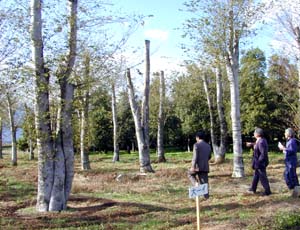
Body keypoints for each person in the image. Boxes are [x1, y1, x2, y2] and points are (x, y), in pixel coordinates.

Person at [246, 128, 271, 196]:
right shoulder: (259, 140)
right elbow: (257, 145)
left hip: (260, 163)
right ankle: (253, 188)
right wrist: (252, 144)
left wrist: (259, 162)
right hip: (258, 162)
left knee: (263, 177)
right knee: (256, 175)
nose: (254, 134)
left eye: (254, 132)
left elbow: (263, 154)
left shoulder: (261, 142)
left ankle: (267, 191)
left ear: (258, 134)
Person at [188, 131, 212, 198]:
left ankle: (196, 185)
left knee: (190, 174)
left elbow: (195, 157)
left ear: (197, 137)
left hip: (197, 167)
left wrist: (193, 166)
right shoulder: (208, 146)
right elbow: (209, 156)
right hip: (205, 166)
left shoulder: (196, 145)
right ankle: (206, 197)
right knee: (204, 182)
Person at [278, 128, 299, 197]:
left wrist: (283, 148)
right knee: (287, 174)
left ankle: (297, 190)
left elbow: (292, 151)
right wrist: (284, 149)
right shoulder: (289, 141)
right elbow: (288, 151)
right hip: (288, 161)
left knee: (292, 175)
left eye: (285, 133)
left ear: (288, 134)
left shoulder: (292, 141)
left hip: (291, 161)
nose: (284, 134)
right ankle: (293, 188)